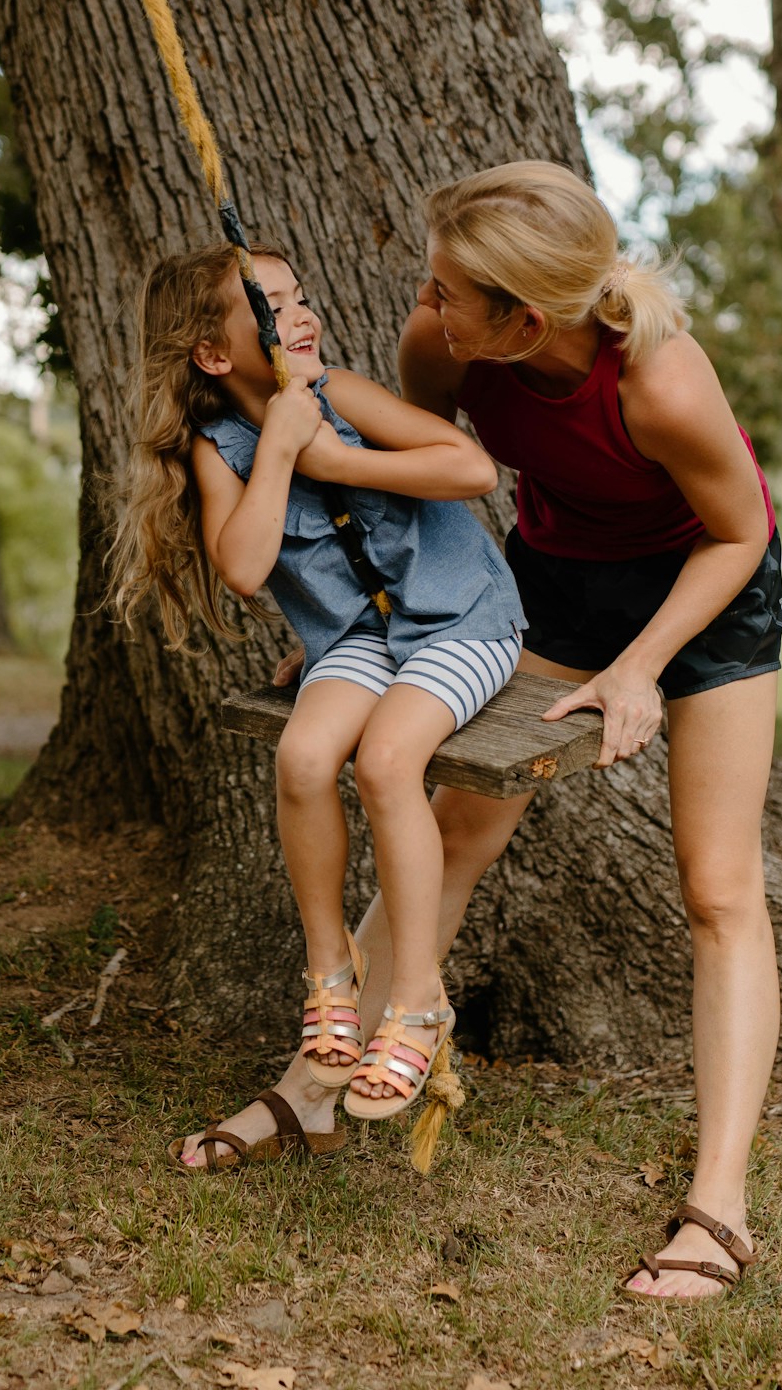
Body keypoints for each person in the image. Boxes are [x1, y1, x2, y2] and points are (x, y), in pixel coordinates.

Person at [185, 162, 782, 1301]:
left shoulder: (659, 382)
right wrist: (360, 626)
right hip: (551, 586)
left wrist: (639, 668)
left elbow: (739, 530)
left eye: (447, 291)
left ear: (526, 321)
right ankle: (318, 1085)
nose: (424, 305)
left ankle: (719, 1207)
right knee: (455, 824)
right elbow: (404, 491)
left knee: (717, 888)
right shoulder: (444, 342)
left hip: (705, 588)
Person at [106, 242, 526, 1170]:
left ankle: (416, 998)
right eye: (274, 306)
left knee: (386, 763)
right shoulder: (221, 447)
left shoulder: (342, 393)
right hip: (360, 639)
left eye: (300, 297)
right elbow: (245, 564)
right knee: (301, 758)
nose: (302, 315)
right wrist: (282, 448)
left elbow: (472, 470)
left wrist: (332, 453)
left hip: (461, 620)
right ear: (214, 354)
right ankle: (330, 972)